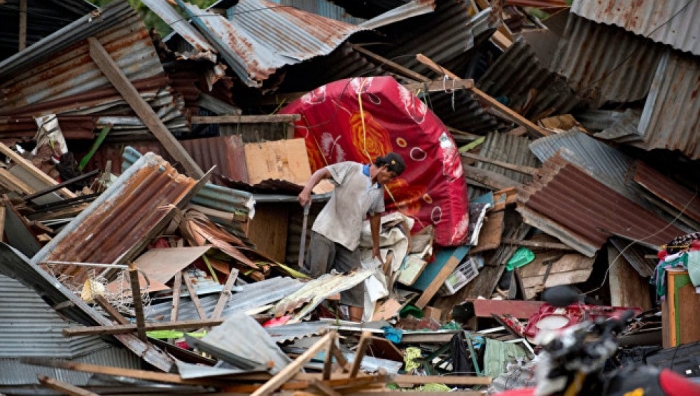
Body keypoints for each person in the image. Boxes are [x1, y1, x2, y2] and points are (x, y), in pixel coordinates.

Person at [297, 152, 406, 321]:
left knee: (355, 283)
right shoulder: (351, 168)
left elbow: (376, 216)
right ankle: (300, 315)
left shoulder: (378, 190)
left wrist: (376, 246)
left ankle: (355, 331)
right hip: (327, 231)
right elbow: (322, 172)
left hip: (349, 241)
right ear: (384, 167)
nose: (390, 180)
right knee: (315, 275)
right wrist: (306, 190)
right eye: (390, 176)